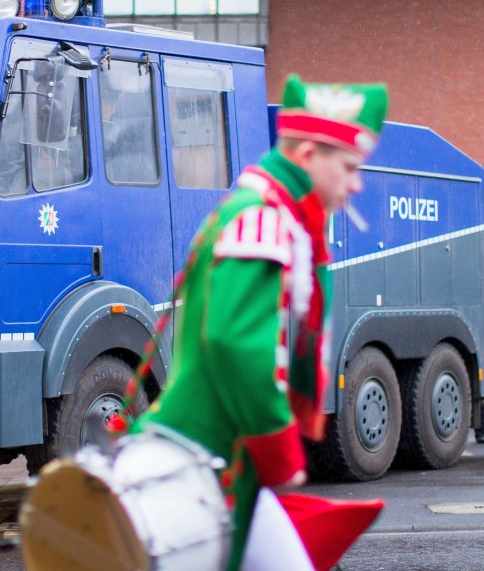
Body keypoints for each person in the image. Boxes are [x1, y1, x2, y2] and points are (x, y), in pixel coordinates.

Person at [134, 74, 389, 570]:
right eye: (350, 166)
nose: (356, 183)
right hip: (206, 457)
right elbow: (233, 341)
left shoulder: (263, 212)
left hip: (215, 459)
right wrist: (280, 452)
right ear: (310, 153)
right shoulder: (266, 220)